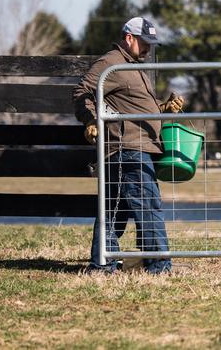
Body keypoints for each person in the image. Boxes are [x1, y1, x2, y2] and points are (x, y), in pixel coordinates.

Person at [73, 16, 184, 274]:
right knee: (148, 205)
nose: (148, 48)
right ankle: (158, 266)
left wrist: (163, 108)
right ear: (129, 38)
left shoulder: (132, 65)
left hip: (129, 147)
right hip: (128, 148)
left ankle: (102, 265)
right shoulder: (112, 63)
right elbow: (82, 92)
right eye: (144, 42)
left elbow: (134, 105)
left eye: (151, 43)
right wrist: (90, 120)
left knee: (113, 212)